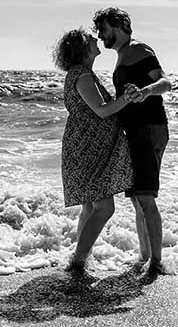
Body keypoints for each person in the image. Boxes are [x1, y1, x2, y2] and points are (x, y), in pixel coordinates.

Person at [52, 28, 140, 273]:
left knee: (90, 207)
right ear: (82, 49)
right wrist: (127, 98)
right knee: (104, 208)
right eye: (89, 39)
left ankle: (82, 257)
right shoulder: (82, 75)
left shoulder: (81, 73)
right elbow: (101, 110)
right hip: (87, 148)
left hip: (86, 146)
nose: (95, 39)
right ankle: (79, 260)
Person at [92, 7, 171, 277]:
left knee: (145, 197)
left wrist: (145, 91)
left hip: (149, 129)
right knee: (138, 199)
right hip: (136, 131)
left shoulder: (139, 49)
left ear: (118, 25)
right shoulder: (123, 54)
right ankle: (145, 256)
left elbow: (164, 82)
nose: (100, 35)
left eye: (103, 29)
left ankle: (156, 263)